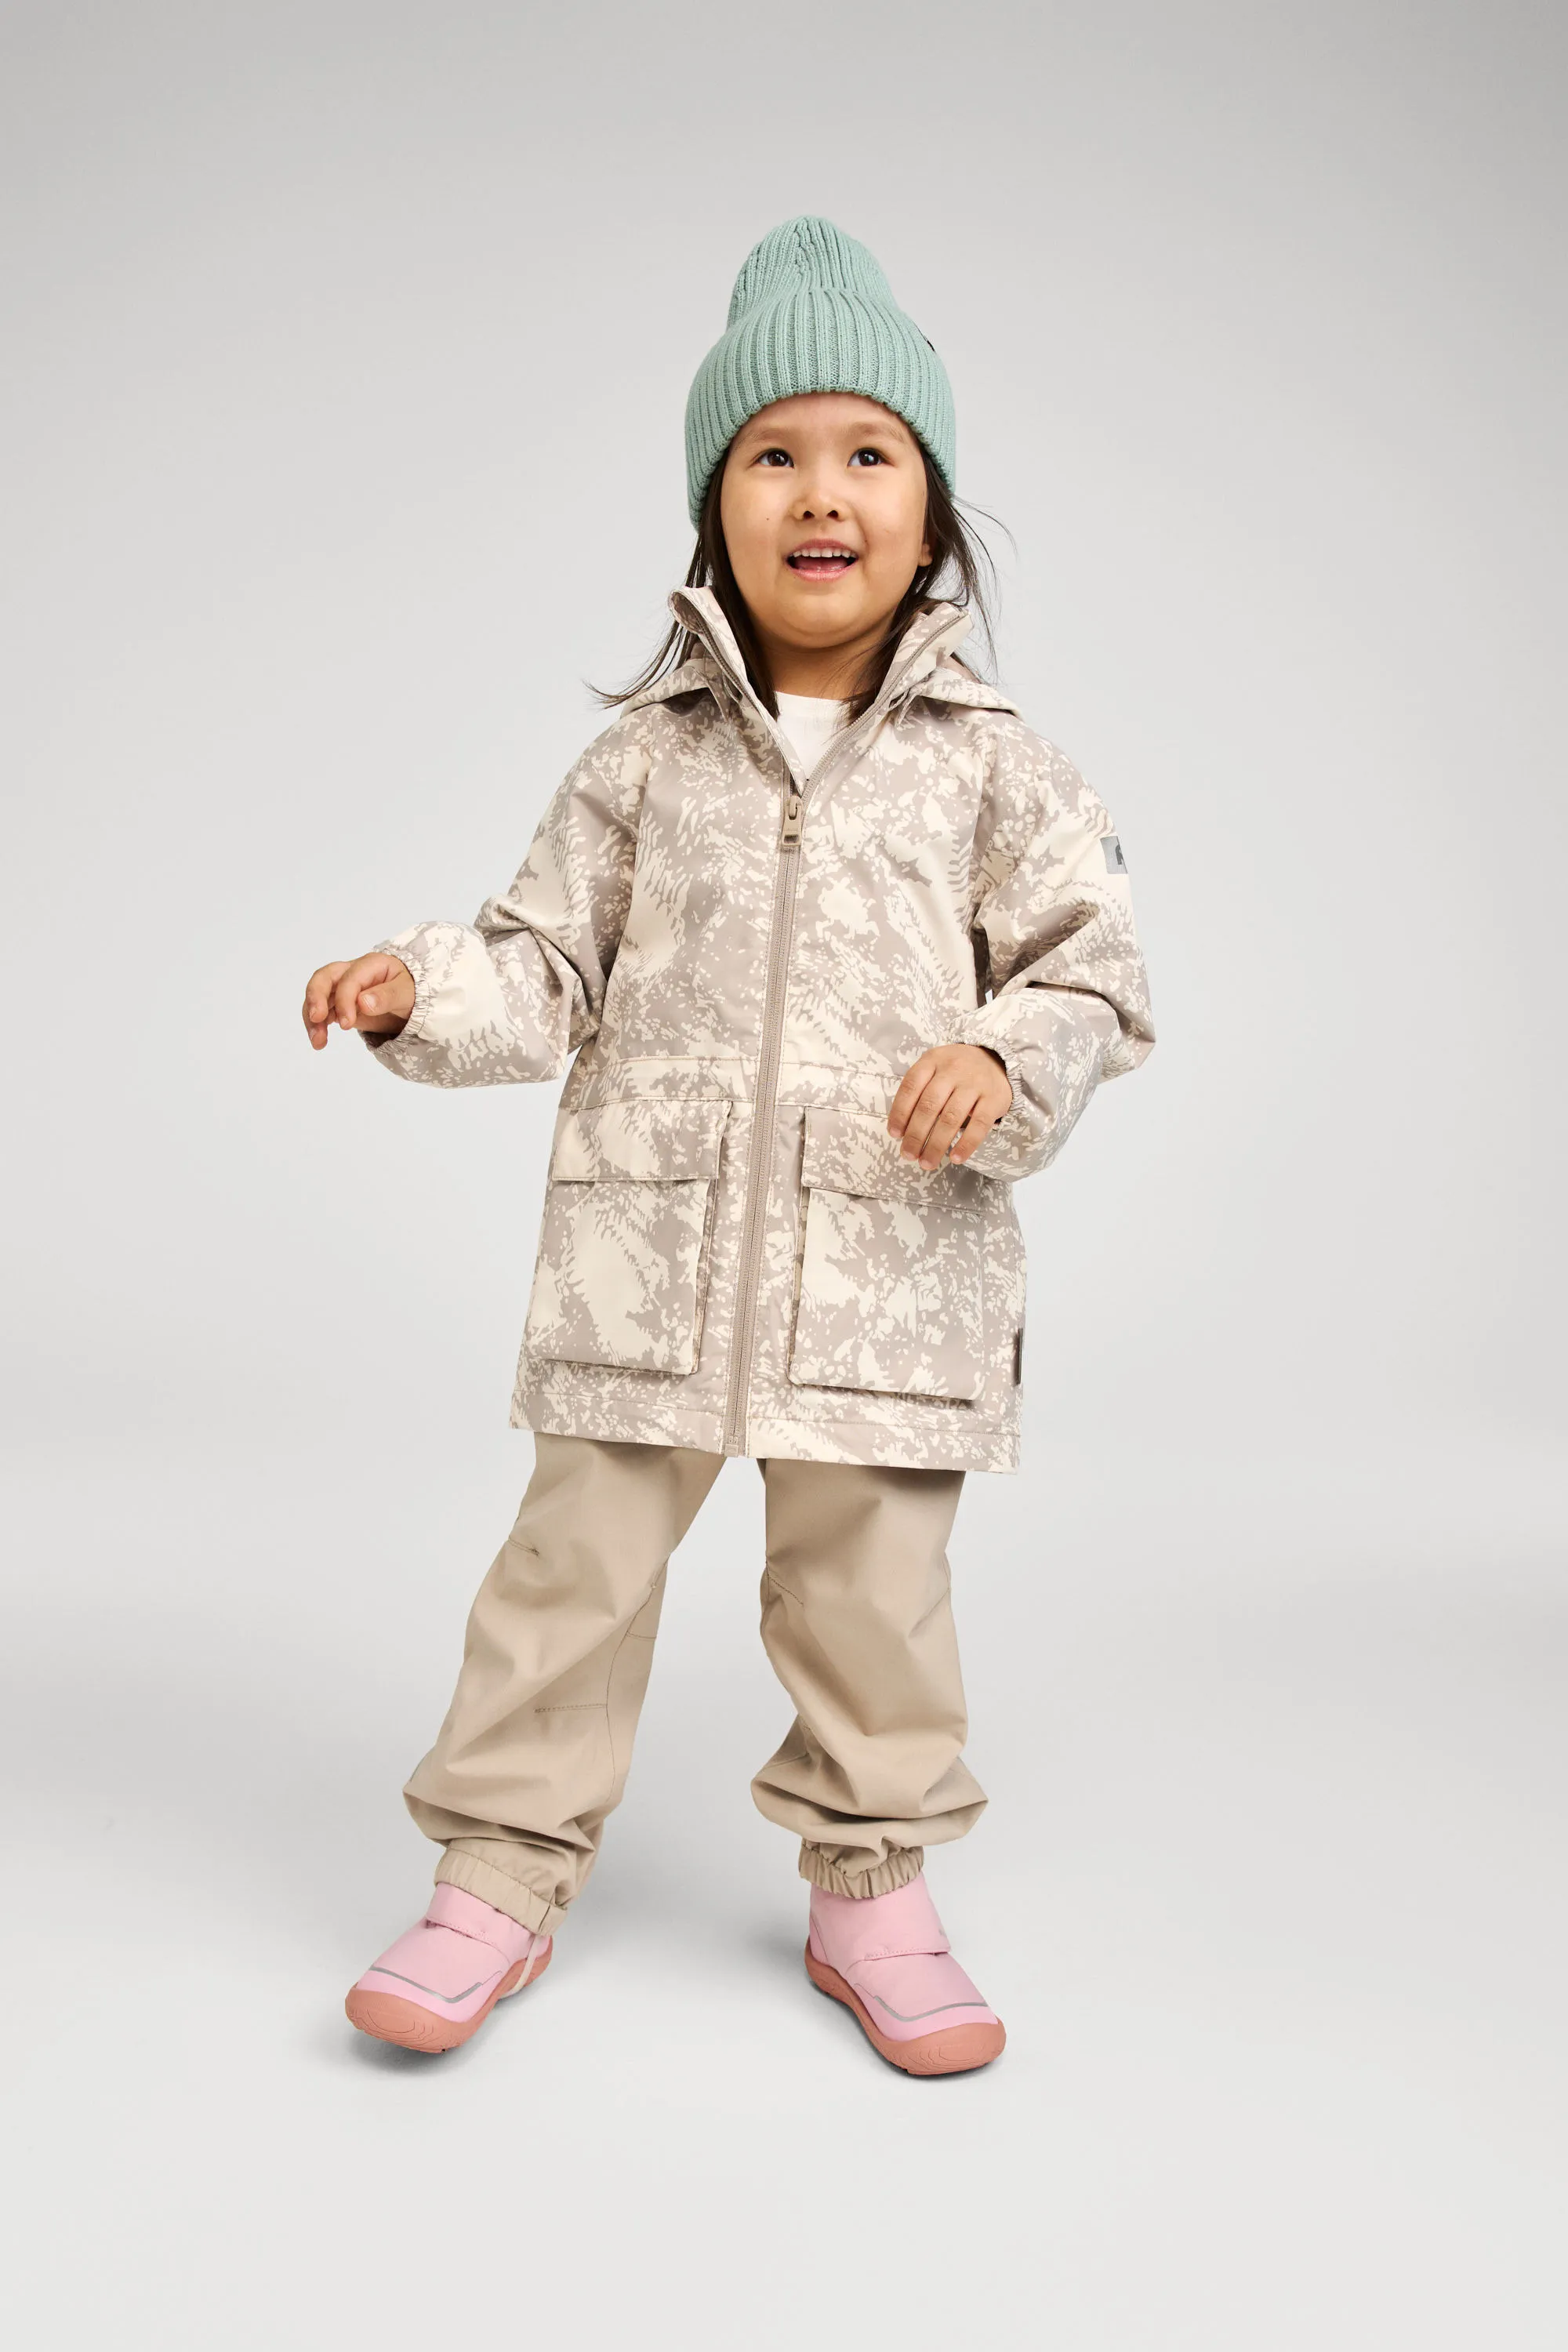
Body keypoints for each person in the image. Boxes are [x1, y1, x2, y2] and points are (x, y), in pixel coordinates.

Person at [302, 216, 1156, 2075]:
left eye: (869, 454)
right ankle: (496, 1874)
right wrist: (418, 988)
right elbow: (544, 966)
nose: (819, 491)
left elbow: (1093, 978)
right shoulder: (641, 760)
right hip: (647, 1267)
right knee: (568, 1578)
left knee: (871, 1600)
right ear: (716, 511)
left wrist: (998, 1061)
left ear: (930, 518)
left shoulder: (999, 764)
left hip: (889, 1266)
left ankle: (874, 1888)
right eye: (771, 454)